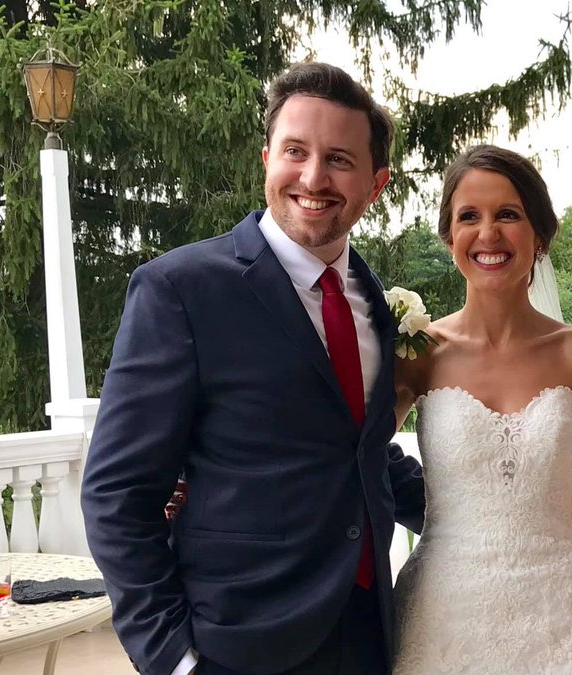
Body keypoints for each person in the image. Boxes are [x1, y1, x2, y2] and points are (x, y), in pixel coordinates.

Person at [81, 62, 426, 675]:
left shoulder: (373, 302)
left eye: (340, 159)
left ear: (377, 184)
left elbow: (358, 452)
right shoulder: (180, 290)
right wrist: (172, 657)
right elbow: (118, 493)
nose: (314, 177)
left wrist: (494, 517)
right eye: (296, 151)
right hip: (237, 645)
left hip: (369, 635)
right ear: (267, 158)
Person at [391, 144, 572, 674]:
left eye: (508, 215)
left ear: (539, 235)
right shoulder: (416, 354)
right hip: (441, 621)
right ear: (449, 236)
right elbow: (342, 457)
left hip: (562, 620)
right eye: (469, 217)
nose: (488, 234)